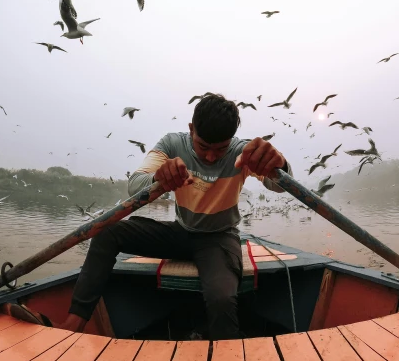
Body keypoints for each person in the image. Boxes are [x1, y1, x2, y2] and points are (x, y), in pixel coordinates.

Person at [60, 93, 292, 339]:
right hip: (181, 233)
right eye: (203, 146)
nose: (211, 157)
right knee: (106, 231)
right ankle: (73, 323)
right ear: (191, 129)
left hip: (219, 239)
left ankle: (228, 355)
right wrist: (159, 178)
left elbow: (279, 185)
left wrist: (280, 166)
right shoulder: (172, 144)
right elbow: (135, 186)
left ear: (231, 140)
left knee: (222, 299)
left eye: (220, 149)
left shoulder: (242, 152)